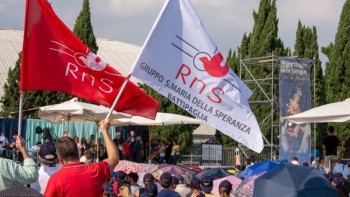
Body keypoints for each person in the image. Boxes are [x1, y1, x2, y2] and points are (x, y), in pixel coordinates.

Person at [44, 119, 119, 196]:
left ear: (60, 158)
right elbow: (114, 158)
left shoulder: (56, 180)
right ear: (77, 151)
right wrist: (105, 131)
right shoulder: (96, 170)